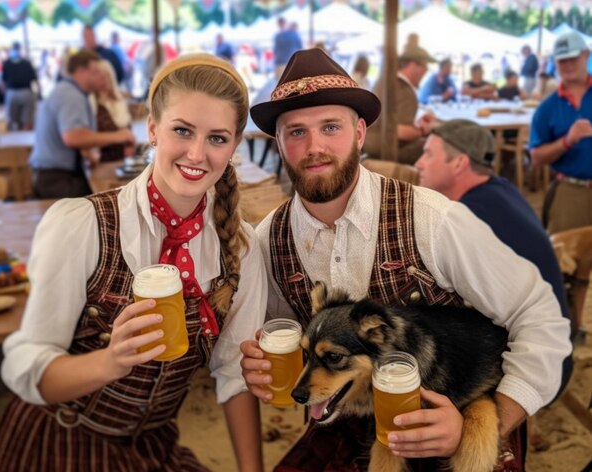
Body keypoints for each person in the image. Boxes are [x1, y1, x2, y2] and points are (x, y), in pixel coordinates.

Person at [241, 48, 571, 471]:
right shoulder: (269, 238)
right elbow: (271, 337)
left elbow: (541, 316)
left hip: (457, 412)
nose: (315, 147)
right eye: (296, 132)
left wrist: (489, 419)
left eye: (330, 127)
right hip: (347, 421)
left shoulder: (432, 219)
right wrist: (259, 364)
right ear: (279, 144)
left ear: (360, 133)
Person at [0, 53, 267, 472]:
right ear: (153, 129)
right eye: (182, 130)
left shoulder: (240, 244)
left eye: (217, 138)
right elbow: (24, 366)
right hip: (61, 439)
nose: (196, 153)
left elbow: (232, 374)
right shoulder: (83, 224)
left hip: (151, 445)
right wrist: (110, 361)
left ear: (234, 145)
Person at [414, 119, 573, 349]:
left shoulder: (472, 216)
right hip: (553, 338)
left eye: (428, 154)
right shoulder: (499, 189)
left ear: (459, 163)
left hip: (538, 356)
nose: (418, 163)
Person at [28, 49, 135, 199]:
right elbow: (72, 137)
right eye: (95, 71)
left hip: (51, 175)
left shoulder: (66, 90)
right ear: (80, 71)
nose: (100, 76)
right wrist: (119, 136)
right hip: (58, 178)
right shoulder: (72, 95)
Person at [529, 31, 592, 233]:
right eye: (562, 60)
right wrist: (567, 141)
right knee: (568, 258)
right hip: (573, 191)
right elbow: (536, 157)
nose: (567, 64)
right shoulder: (546, 108)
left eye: (572, 58)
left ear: (586, 55)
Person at [364, 45, 437, 164]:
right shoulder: (403, 89)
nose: (426, 71)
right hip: (385, 150)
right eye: (425, 66)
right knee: (435, 146)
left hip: (369, 144)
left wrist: (416, 125)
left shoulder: (384, 80)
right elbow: (399, 131)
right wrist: (425, 130)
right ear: (413, 65)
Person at [92, 59, 133, 162]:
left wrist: (130, 146)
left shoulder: (119, 102)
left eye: (107, 75)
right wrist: (120, 137)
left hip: (123, 161)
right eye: (100, 77)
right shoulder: (92, 105)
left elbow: (129, 132)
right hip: (101, 161)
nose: (104, 80)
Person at [1, 41, 40, 130]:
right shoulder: (27, 63)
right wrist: (38, 93)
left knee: (12, 121)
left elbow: (3, 82)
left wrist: (4, 94)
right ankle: (24, 140)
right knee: (27, 121)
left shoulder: (7, 63)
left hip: (12, 92)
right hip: (26, 92)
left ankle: (14, 140)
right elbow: (35, 79)